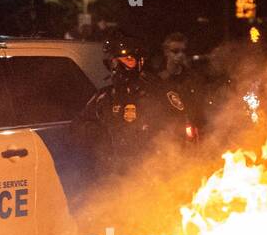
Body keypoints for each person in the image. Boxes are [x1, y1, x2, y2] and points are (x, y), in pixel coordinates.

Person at [77, 38, 197, 167]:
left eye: (128, 60)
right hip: (113, 174)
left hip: (151, 170)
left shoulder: (159, 91)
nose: (119, 66)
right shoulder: (105, 96)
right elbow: (77, 125)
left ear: (140, 62)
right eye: (115, 62)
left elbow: (181, 126)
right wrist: (99, 135)